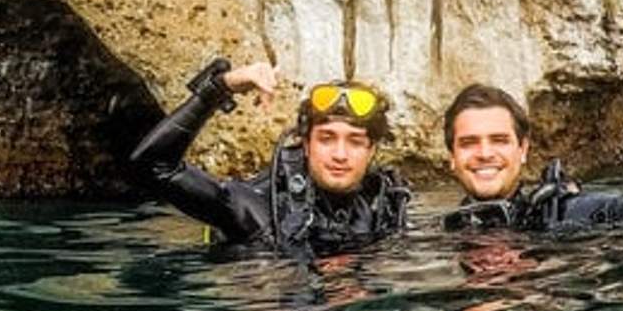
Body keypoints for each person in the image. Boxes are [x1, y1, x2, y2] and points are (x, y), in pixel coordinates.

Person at [128, 56, 412, 256]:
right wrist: (218, 88)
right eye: (326, 138)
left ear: (371, 149)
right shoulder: (255, 207)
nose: (340, 155)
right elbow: (152, 166)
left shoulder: (383, 206)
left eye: (355, 142)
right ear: (305, 143)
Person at [442, 40, 623, 231]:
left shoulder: (572, 213)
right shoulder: (424, 232)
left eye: (499, 140)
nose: (484, 153)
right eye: (469, 143)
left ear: (523, 150)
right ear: (451, 157)